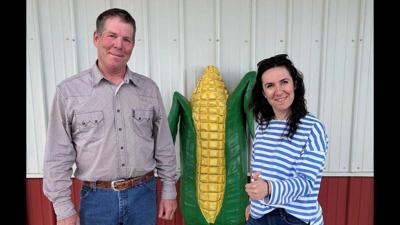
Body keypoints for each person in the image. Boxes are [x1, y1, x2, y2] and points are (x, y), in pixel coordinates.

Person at [43, 8, 178, 225]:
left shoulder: (148, 90)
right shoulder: (69, 92)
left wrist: (169, 189)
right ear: (96, 38)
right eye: (112, 36)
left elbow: (163, 145)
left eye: (127, 39)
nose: (119, 45)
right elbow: (57, 155)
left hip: (143, 196)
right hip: (98, 200)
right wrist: (63, 208)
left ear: (133, 45)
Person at [245, 54, 328, 225]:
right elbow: (258, 173)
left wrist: (268, 188)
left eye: (284, 82)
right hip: (259, 215)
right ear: (263, 92)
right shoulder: (262, 128)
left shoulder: (313, 128)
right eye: (270, 85)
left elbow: (305, 182)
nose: (279, 91)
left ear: (295, 84)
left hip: (293, 218)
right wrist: (252, 204)